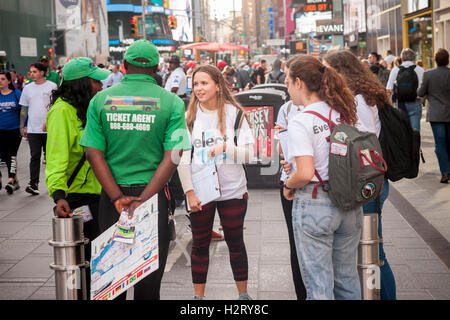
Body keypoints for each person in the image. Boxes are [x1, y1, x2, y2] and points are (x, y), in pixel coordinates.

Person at [79, 40, 190, 300]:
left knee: (111, 281)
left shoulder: (100, 100)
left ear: (125, 66)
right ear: (155, 68)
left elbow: (93, 152)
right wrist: (143, 200)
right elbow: (174, 156)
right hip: (152, 199)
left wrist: (117, 197)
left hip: (111, 200)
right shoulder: (172, 102)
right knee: (149, 284)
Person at [282, 55, 362, 300]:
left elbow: (305, 173)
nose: (287, 88)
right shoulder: (341, 113)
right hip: (349, 202)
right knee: (347, 279)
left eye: (287, 82)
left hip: (316, 203)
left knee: (319, 286)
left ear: (299, 83)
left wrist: (288, 183)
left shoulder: (301, 120)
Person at [177, 65, 254, 300]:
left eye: (204, 83)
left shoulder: (235, 114)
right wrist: (189, 192)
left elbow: (251, 154)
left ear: (218, 86)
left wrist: (225, 148)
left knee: (235, 242)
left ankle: (243, 295)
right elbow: (182, 160)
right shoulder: (187, 118)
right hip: (201, 192)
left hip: (233, 190)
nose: (199, 88)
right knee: (200, 244)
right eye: (196, 84)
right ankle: (198, 297)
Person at [324, 50, 397, 300]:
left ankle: (383, 296)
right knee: (368, 248)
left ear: (340, 71)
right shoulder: (356, 95)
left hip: (367, 183)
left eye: (327, 69)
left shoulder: (359, 99)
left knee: (374, 250)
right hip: (365, 182)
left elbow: (366, 141)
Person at [45, 57, 110, 296]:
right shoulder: (62, 111)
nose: (101, 86)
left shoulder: (88, 108)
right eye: (96, 81)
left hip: (98, 194)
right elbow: (56, 156)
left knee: (98, 258)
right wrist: (58, 194)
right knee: (80, 262)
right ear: (82, 83)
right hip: (76, 199)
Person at [275, 59, 306, 300]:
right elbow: (280, 145)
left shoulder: (332, 108)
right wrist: (284, 156)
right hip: (290, 181)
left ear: (300, 82)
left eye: (288, 79)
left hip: (303, 186)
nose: (284, 84)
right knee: (296, 246)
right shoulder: (286, 109)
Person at [19, 63, 58, 195]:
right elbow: (24, 108)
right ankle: (33, 184)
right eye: (31, 72)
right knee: (34, 156)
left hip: (50, 129)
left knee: (52, 158)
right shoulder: (27, 88)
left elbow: (56, 107)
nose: (32, 74)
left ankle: (54, 183)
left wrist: (50, 122)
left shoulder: (52, 86)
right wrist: (22, 126)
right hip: (33, 129)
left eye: (35, 71)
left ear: (42, 72)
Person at [418, 48, 450, 184]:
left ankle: (445, 172)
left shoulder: (428, 75)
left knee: (440, 144)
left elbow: (420, 92)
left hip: (436, 115)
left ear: (435, 60)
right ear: (448, 60)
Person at [386, 48, 425, 131]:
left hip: (400, 103)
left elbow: (389, 89)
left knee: (402, 131)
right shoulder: (420, 70)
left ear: (402, 58)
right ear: (414, 58)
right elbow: (424, 88)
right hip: (416, 101)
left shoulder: (395, 70)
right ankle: (414, 144)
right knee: (415, 131)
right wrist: (422, 99)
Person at [0, 71, 22, 194]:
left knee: (11, 155)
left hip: (14, 130)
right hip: (0, 130)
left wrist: (24, 125)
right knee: (3, 156)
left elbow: (24, 109)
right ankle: (15, 180)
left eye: (2, 79)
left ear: (9, 81)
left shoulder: (16, 93)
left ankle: (10, 180)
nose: (0, 81)